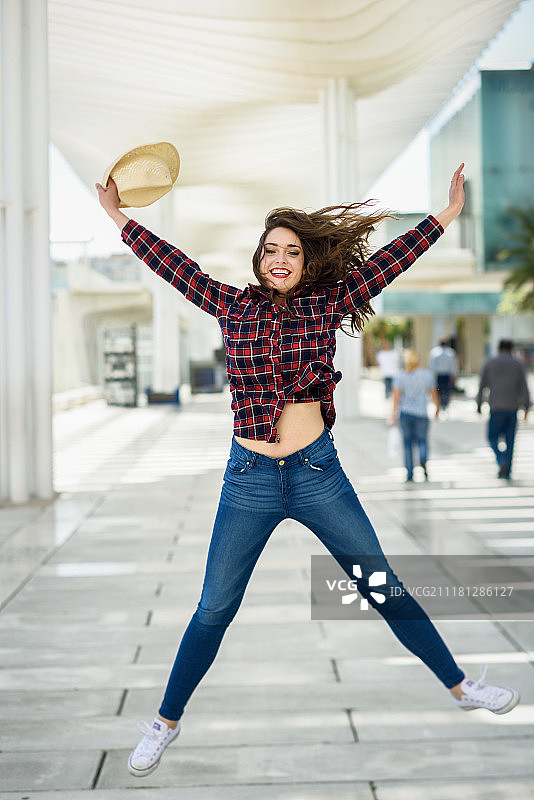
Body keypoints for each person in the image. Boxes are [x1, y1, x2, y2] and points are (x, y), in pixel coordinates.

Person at [95, 163, 519, 779]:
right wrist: (116, 216)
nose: (282, 259)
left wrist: (447, 214)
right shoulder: (231, 306)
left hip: (319, 473)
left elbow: (390, 262)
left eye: (292, 251)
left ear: (304, 261)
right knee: (214, 607)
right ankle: (164, 722)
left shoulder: (328, 304)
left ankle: (460, 686)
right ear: (258, 259)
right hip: (250, 479)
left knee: (381, 587)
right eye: (272, 250)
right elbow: (173, 262)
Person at [476, 339, 530, 479]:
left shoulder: (490, 363)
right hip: (512, 407)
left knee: (492, 437)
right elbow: (524, 387)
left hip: (496, 407)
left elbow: (482, 385)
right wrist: (527, 406)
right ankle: (507, 472)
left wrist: (479, 404)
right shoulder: (518, 364)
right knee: (510, 440)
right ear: (511, 349)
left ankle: (501, 460)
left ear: (498, 348)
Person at [391, 350, 438, 482]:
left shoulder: (400, 376)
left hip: (405, 414)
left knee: (407, 444)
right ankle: (423, 459)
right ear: (418, 361)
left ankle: (410, 474)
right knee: (422, 440)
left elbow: (396, 397)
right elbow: (433, 393)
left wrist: (393, 414)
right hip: (422, 413)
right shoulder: (427, 375)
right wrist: (437, 408)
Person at [429, 336, 458, 411]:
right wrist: (454, 375)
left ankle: (440, 405)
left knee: (439, 390)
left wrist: (432, 375)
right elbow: (453, 365)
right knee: (446, 390)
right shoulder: (450, 352)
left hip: (438, 375)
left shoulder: (435, 352)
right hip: (446, 375)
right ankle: (444, 405)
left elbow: (432, 365)